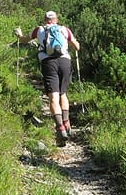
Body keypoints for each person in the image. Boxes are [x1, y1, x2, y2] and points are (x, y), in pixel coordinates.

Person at [14, 11, 80, 147]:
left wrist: (19, 34)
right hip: (65, 62)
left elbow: (24, 40)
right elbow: (77, 46)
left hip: (48, 63)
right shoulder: (64, 29)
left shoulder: (39, 30)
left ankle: (60, 128)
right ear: (57, 19)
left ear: (45, 19)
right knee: (63, 94)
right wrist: (74, 44)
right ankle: (67, 123)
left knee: (53, 97)